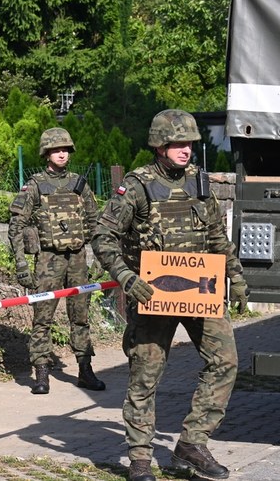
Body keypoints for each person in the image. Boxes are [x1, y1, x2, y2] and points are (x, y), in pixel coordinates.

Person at [91, 109, 248, 481]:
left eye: (190, 143)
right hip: (151, 295)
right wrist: (126, 278)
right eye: (178, 143)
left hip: (201, 292)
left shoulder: (199, 182)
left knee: (225, 361)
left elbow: (215, 237)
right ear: (159, 146)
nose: (186, 149)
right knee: (146, 374)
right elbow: (103, 236)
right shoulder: (137, 186)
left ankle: (193, 443)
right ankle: (141, 458)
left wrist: (236, 277)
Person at [8, 127, 105, 395]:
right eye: (56, 149)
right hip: (48, 259)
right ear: (46, 153)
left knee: (81, 317)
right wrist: (21, 265)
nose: (62, 153)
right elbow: (16, 226)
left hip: (77, 258)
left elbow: (95, 222)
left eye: (65, 149)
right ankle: (41, 374)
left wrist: (98, 259)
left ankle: (85, 371)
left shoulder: (79, 184)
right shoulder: (35, 185)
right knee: (43, 317)